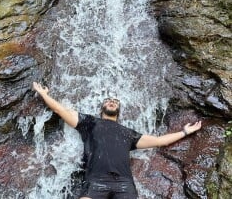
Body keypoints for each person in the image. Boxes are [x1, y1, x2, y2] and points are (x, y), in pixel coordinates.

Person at [32, 82, 202, 199]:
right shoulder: (89, 123)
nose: (112, 101)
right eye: (108, 100)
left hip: (124, 184)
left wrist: (185, 131)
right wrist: (44, 94)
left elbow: (159, 141)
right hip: (96, 181)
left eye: (115, 101)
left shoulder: (128, 133)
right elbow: (60, 109)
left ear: (119, 110)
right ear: (102, 108)